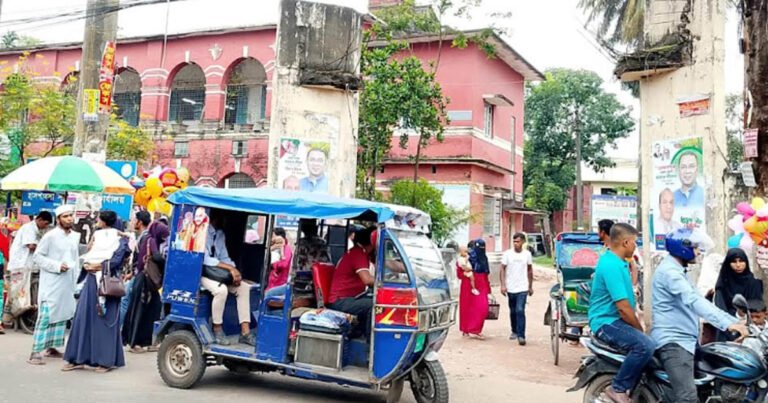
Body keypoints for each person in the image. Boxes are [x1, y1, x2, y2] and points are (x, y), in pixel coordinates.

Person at [651, 229, 747, 403]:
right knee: (687, 397)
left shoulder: (680, 271)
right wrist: (727, 325)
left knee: (708, 387)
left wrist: (736, 322)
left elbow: (703, 303)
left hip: (687, 340)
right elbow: (695, 301)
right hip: (674, 343)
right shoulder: (671, 274)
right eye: (695, 248)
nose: (698, 252)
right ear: (683, 249)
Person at [588, 223, 654, 403]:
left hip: (615, 320)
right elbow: (623, 308)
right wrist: (640, 330)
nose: (635, 247)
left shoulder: (619, 263)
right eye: (634, 242)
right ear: (625, 242)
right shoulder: (611, 265)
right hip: (606, 322)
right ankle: (617, 387)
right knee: (645, 345)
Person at [62, 211, 129, 373]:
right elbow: (88, 253)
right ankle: (77, 357)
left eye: (99, 218)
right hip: (91, 281)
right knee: (83, 317)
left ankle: (105, 361)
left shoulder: (122, 240)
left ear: (104, 221)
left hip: (107, 282)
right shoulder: (96, 236)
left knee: (105, 320)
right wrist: (89, 265)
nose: (97, 221)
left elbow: (117, 260)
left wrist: (98, 266)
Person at [26, 206, 79, 366]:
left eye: (71, 216)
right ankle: (35, 352)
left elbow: (75, 259)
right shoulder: (50, 236)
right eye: (66, 216)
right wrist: (57, 266)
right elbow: (38, 257)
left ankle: (52, 348)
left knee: (62, 316)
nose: (69, 219)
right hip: (52, 282)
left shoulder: (74, 237)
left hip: (67, 282)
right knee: (46, 316)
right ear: (59, 219)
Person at [200, 211, 255, 346]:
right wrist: (230, 269)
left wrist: (235, 273)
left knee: (243, 288)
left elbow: (224, 257)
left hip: (219, 273)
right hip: (203, 273)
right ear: (217, 218)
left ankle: (245, 332)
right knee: (221, 290)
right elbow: (205, 260)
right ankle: (217, 329)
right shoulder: (204, 232)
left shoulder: (219, 234)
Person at [122, 218, 169, 353]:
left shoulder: (147, 238)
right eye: (163, 235)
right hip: (145, 281)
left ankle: (146, 341)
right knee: (140, 311)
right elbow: (157, 257)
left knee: (152, 310)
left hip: (146, 280)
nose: (164, 238)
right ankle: (134, 343)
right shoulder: (151, 240)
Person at [5, 212, 53, 322]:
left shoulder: (37, 230)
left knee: (23, 292)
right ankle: (10, 316)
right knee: (17, 292)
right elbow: (31, 246)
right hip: (20, 264)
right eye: (45, 224)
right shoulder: (28, 228)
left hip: (27, 264)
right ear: (39, 220)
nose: (45, 226)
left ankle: (19, 317)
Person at [328, 226, 375, 339]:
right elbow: (367, 280)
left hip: (352, 297)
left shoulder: (362, 253)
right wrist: (385, 282)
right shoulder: (358, 254)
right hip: (340, 300)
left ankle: (358, 332)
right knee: (373, 305)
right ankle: (370, 344)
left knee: (372, 299)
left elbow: (390, 264)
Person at [712, 248, 763, 342]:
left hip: (750, 325)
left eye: (741, 261)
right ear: (728, 264)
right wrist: (732, 322)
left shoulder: (753, 283)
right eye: (734, 262)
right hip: (727, 326)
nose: (738, 265)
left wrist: (746, 319)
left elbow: (757, 306)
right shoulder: (723, 284)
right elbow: (720, 309)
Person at [500, 233, 534, 345]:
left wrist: (530, 286)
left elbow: (529, 270)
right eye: (514, 241)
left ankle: (521, 335)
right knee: (513, 310)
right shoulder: (507, 254)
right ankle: (514, 330)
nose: (516, 244)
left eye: (518, 241)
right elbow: (502, 269)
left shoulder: (527, 254)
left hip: (522, 287)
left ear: (523, 242)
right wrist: (503, 285)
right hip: (510, 286)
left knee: (520, 310)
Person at [121, 211, 152, 328]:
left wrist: (134, 273)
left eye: (134, 220)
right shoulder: (143, 236)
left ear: (140, 222)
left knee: (125, 300)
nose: (133, 222)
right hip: (137, 274)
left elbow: (141, 260)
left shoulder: (145, 237)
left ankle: (119, 329)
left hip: (139, 275)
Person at [457, 239, 491, 340]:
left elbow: (486, 275)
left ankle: (476, 329)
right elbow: (459, 273)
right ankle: (466, 329)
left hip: (482, 285)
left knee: (483, 307)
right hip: (468, 285)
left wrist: (489, 290)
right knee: (466, 308)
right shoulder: (465, 259)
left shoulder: (484, 259)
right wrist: (466, 273)